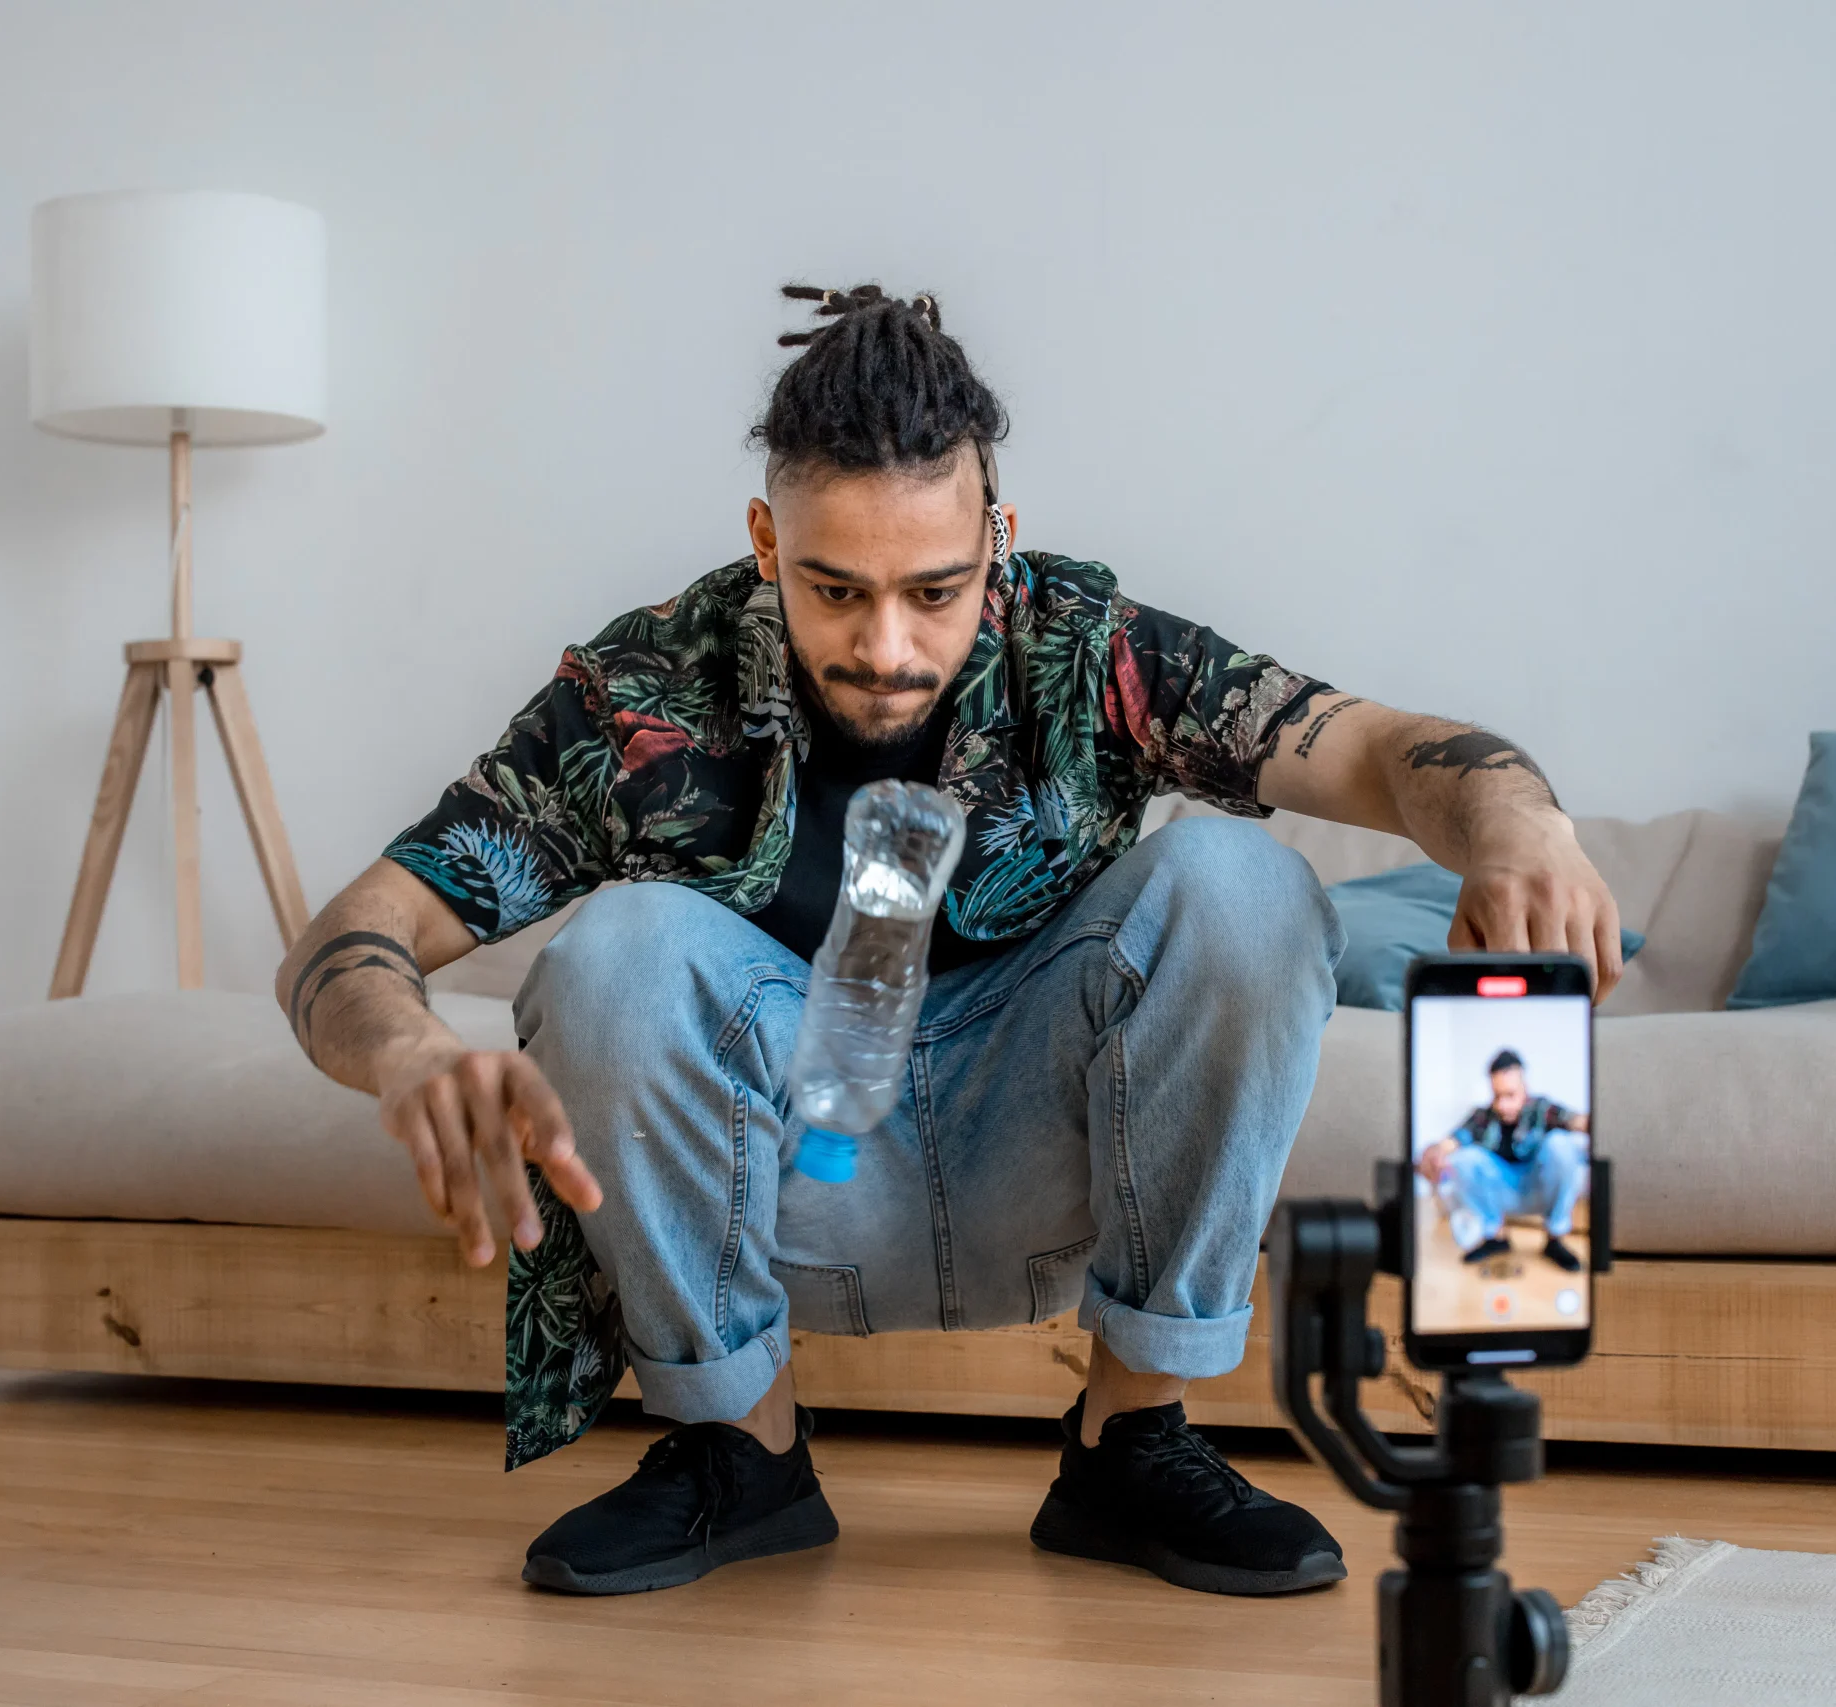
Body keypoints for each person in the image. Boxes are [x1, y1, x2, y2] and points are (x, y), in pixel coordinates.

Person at [276, 282, 1623, 1599]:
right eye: (833, 589)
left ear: (1001, 534)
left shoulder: (1089, 648)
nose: (887, 643)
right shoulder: (643, 693)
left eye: (936, 588)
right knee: (614, 947)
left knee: (1246, 881)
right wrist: (405, 1052)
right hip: (786, 1173)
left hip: (1042, 1147)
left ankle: (1129, 1440)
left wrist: (1524, 830)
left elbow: (1387, 749)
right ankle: (740, 1457)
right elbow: (356, 931)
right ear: (763, 539)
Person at [1418, 1049, 1592, 1271]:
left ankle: (1555, 1238)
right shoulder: (1482, 1116)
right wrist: (1433, 1154)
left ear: (1525, 1089)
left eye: (1510, 1095)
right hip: (1503, 1193)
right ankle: (1496, 1238)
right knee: (1463, 1159)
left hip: (1539, 1188)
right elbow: (1450, 1143)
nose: (1502, 1105)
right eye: (1497, 1095)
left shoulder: (1542, 1108)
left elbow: (1576, 1120)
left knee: (1561, 1143)